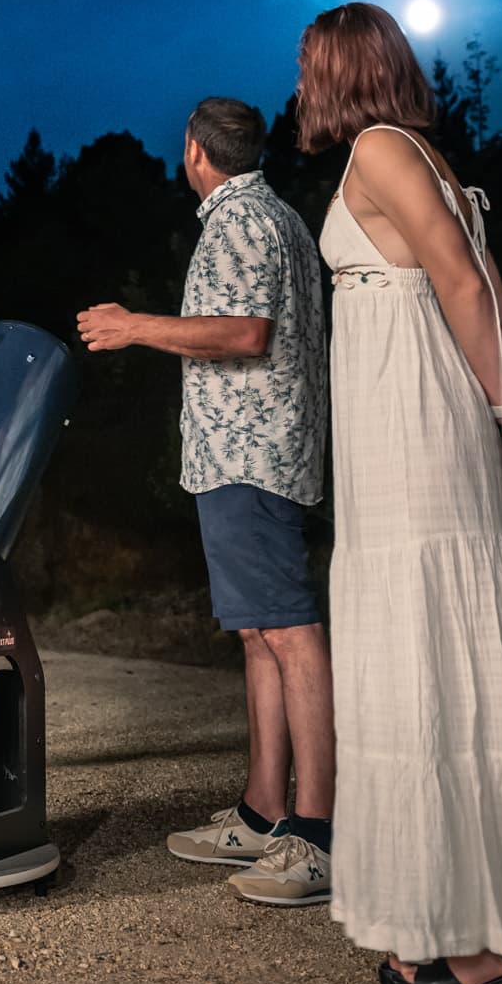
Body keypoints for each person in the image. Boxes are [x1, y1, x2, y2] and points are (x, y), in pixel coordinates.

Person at [299, 2, 502, 984]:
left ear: (336, 71)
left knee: (425, 669)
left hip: (409, 445)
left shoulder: (381, 149)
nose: (301, 87)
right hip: (444, 430)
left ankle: (466, 949)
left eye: (308, 69)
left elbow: (467, 282)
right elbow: (492, 297)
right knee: (467, 664)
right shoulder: (423, 155)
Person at [78, 96, 334, 907]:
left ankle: (317, 831)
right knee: (260, 633)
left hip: (253, 452)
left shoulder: (242, 221)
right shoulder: (273, 216)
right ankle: (263, 813)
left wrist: (132, 327)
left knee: (289, 633)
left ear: (194, 151)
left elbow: (243, 333)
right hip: (241, 453)